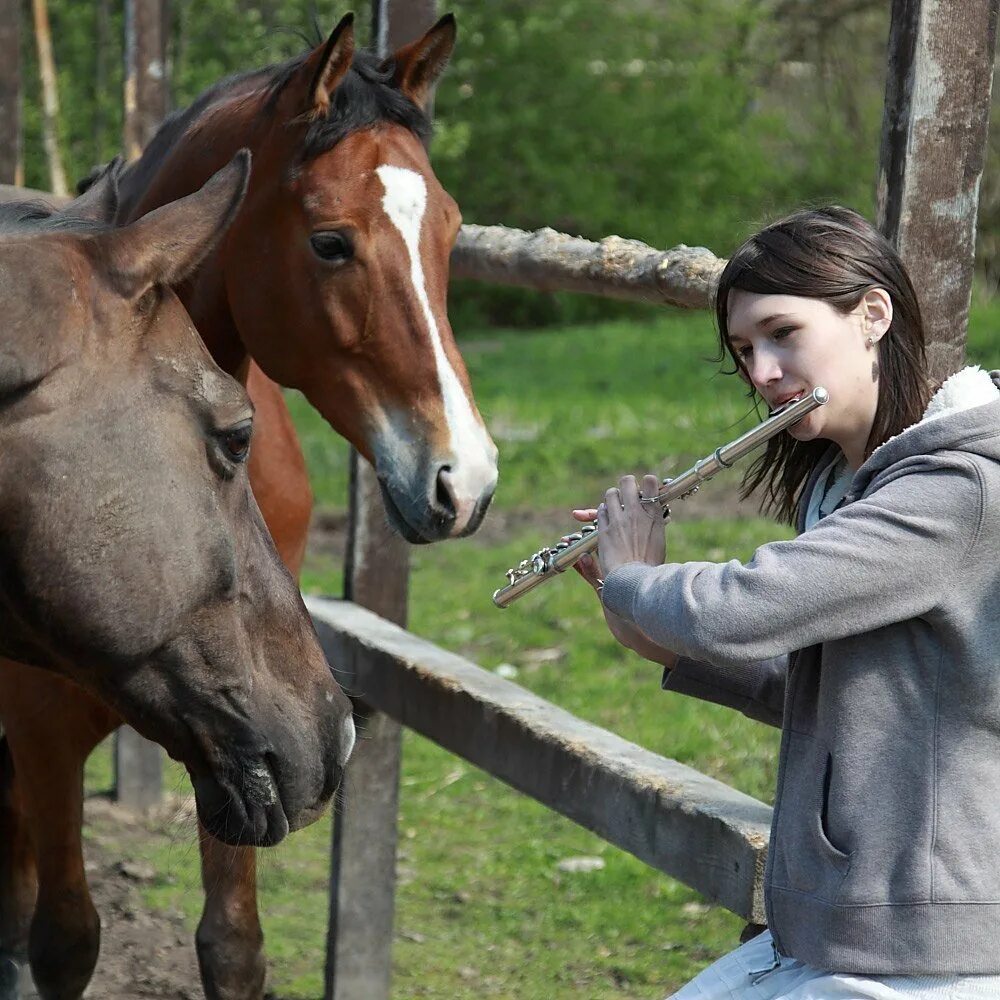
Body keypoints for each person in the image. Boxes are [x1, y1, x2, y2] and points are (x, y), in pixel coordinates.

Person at [570, 206, 1000, 998]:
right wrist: (662, 644)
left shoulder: (956, 489)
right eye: (743, 351)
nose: (763, 373)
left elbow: (744, 604)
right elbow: (840, 700)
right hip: (840, 927)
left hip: (930, 951)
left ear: (873, 314)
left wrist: (638, 577)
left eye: (783, 334)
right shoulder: (842, 489)